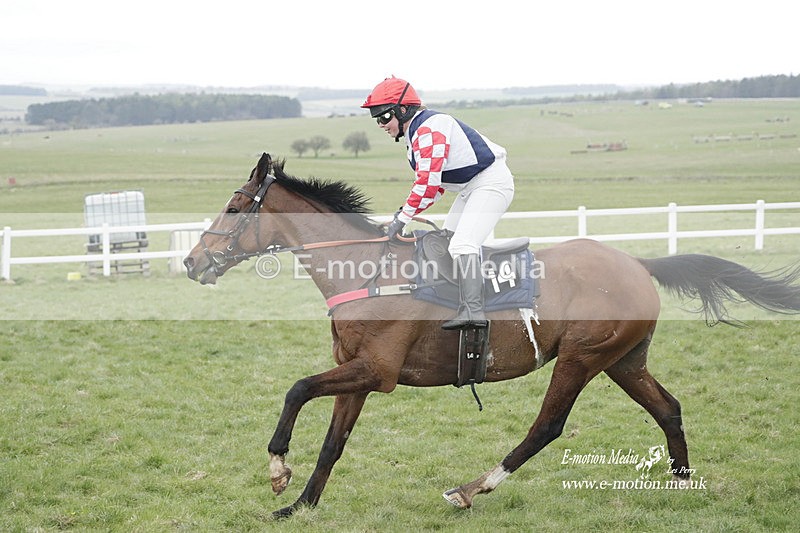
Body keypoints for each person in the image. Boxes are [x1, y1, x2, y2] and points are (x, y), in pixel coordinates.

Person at [361, 76, 515, 330]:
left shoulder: (429, 128)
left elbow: (427, 185)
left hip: (490, 183)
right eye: (377, 119)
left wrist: (403, 217)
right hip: (472, 187)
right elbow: (434, 190)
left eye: (384, 117)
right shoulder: (417, 135)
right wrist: (404, 214)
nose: (381, 124)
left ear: (403, 110)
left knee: (463, 244)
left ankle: (474, 311)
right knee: (447, 240)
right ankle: (457, 301)